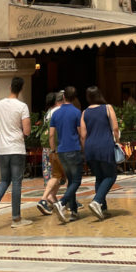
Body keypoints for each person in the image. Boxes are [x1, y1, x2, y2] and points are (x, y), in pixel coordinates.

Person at [0, 76, 32, 231]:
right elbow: (27, 130)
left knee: (5, 181)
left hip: (3, 150)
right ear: (21, 89)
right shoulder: (22, 106)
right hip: (17, 148)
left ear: (10, 87)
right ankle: (16, 218)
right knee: (17, 182)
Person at [80, 86, 120, 220]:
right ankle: (96, 201)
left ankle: (102, 208)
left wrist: (85, 150)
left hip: (90, 147)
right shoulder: (107, 108)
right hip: (105, 145)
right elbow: (115, 127)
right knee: (111, 176)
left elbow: (83, 134)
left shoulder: (85, 112)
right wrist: (118, 140)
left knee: (99, 177)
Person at [49, 86, 83, 222]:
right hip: (73, 149)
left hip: (61, 151)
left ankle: (74, 211)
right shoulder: (76, 112)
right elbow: (81, 133)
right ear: (74, 98)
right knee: (76, 180)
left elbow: (51, 135)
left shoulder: (55, 113)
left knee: (71, 180)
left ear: (63, 97)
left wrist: (53, 150)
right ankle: (62, 203)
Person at [36, 91, 64, 216]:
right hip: (55, 147)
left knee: (54, 174)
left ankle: (52, 198)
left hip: (46, 147)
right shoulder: (58, 111)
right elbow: (53, 133)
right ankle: (47, 198)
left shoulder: (48, 113)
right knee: (59, 174)